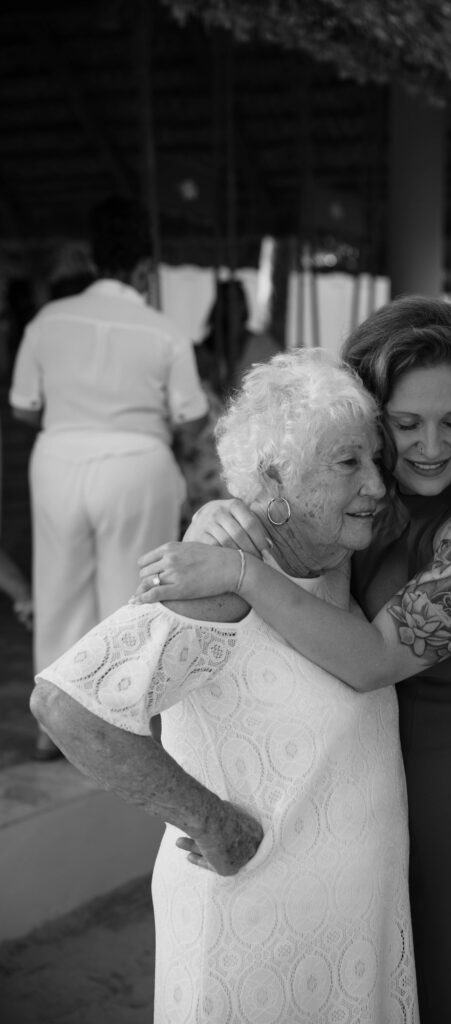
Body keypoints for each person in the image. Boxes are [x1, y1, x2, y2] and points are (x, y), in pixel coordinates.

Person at [134, 296, 451, 1024]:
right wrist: (217, 523)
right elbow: (284, 529)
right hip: (389, 824)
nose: (429, 446)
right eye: (404, 423)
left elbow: (373, 657)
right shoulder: (374, 505)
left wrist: (239, 573)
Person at [30, 350, 418, 1024]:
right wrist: (209, 821)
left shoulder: (332, 563)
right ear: (275, 479)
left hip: (345, 935)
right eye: (348, 463)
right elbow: (67, 706)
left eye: (375, 461)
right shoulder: (220, 585)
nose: (377, 486)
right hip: (253, 932)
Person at [9, 195, 209, 759]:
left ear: (94, 258)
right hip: (135, 462)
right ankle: (122, 718)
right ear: (145, 268)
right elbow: (191, 415)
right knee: (131, 592)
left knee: (59, 587)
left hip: (59, 461)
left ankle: (55, 728)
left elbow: (24, 407)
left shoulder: (47, 321)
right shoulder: (162, 328)